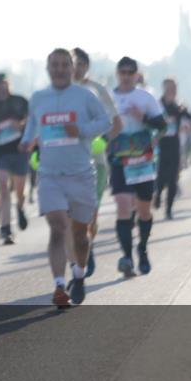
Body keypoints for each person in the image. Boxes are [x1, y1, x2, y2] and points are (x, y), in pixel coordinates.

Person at [20, 49, 111, 307]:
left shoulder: (85, 96)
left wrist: (81, 130)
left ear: (72, 68)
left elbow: (105, 122)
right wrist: (27, 141)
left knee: (80, 234)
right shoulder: (38, 98)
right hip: (49, 175)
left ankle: (79, 275)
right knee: (58, 226)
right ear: (48, 68)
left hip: (81, 174)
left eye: (64, 65)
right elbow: (32, 126)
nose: (59, 69)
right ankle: (60, 285)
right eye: (54, 65)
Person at [107, 57, 166, 276]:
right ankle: (126, 256)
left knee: (144, 211)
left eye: (130, 72)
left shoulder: (145, 97)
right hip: (119, 161)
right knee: (123, 207)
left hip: (143, 161)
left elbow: (162, 126)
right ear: (117, 74)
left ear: (136, 74)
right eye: (122, 72)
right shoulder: (109, 98)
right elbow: (100, 127)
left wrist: (143, 118)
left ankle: (142, 249)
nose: (126, 75)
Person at [73, 47, 121, 275]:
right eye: (74, 63)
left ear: (86, 66)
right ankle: (78, 255)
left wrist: (102, 139)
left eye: (81, 63)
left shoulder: (97, 90)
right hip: (67, 163)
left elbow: (115, 123)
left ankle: (87, 248)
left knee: (90, 213)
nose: (77, 68)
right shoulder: (57, 92)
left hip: (96, 161)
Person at [0, 73, 29, 245]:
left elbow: (32, 120)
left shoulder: (20, 100)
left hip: (20, 151)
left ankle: (20, 207)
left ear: (9, 85)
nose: (1, 88)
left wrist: (21, 125)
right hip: (0, 152)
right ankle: (6, 229)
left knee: (19, 190)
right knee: (2, 187)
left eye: (4, 84)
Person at [154, 78, 190, 220]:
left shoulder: (179, 106)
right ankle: (157, 194)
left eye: (174, 88)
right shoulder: (157, 105)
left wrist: (186, 124)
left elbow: (188, 123)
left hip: (175, 145)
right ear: (164, 89)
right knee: (162, 177)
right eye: (169, 88)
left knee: (173, 178)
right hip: (161, 145)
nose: (172, 90)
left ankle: (168, 209)